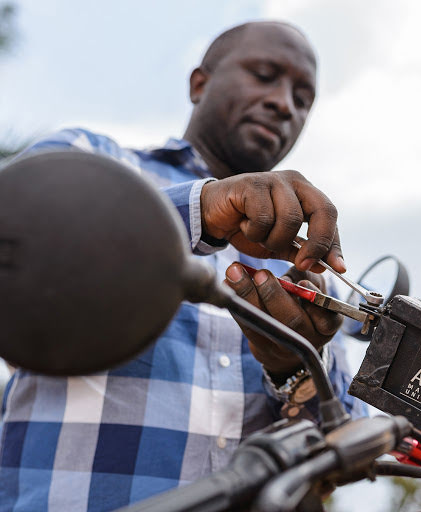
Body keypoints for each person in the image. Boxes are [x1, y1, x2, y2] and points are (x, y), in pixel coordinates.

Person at [0, 21, 366, 511]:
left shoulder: (309, 266)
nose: (284, 103)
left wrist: (295, 369)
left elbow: (349, 448)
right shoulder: (89, 161)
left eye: (303, 98)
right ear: (199, 83)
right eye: (264, 74)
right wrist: (199, 211)